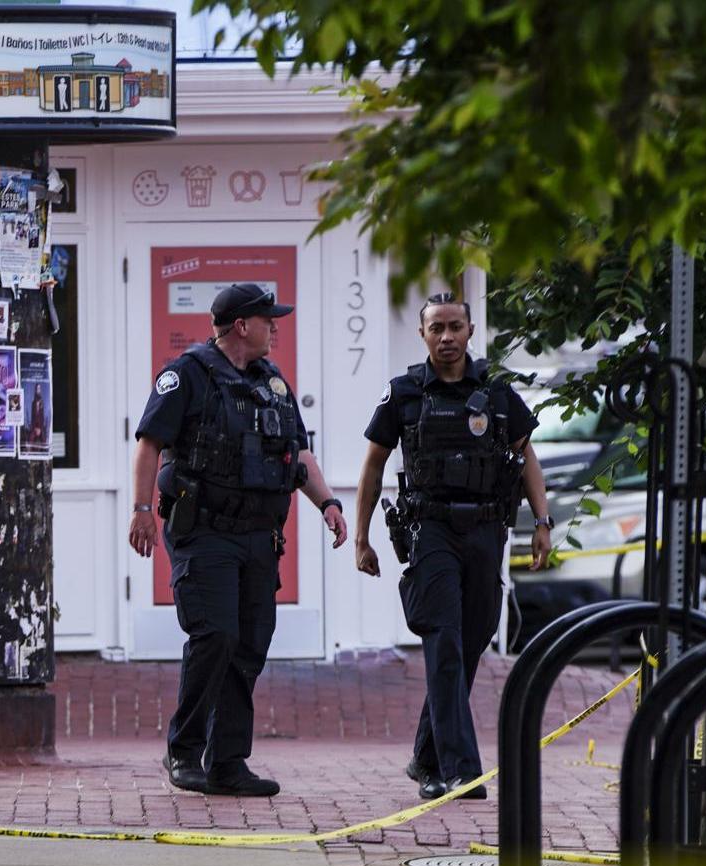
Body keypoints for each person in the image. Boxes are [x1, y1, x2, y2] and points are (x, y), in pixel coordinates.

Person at [128, 283, 349, 797]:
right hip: (204, 531)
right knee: (215, 636)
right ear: (242, 325)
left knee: (249, 645)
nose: (276, 327)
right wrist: (141, 512)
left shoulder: (271, 382)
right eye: (268, 319)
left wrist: (330, 504)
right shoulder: (186, 375)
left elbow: (298, 454)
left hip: (257, 535)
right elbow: (148, 444)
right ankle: (183, 751)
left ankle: (228, 762)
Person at [352, 292, 554, 801]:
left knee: (471, 639)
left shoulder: (497, 392)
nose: (446, 337)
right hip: (430, 530)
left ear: (469, 332)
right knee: (443, 640)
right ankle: (460, 771)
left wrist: (542, 522)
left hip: (486, 530)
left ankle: (426, 758)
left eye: (455, 327)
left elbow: (526, 457)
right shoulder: (403, 393)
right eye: (436, 328)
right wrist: (361, 536)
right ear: (422, 335)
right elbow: (373, 465)